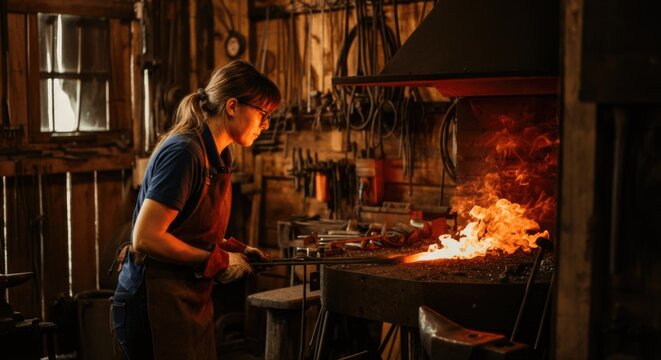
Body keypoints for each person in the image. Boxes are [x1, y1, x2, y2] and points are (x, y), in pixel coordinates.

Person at [111, 60, 280, 359]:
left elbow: (188, 232)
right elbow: (146, 237)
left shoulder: (218, 156)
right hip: (152, 303)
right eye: (263, 114)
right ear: (232, 106)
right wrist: (217, 261)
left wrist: (233, 250)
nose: (266, 124)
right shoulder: (185, 152)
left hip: (186, 301)